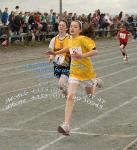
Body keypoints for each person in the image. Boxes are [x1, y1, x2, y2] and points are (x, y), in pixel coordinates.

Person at [46, 20, 102, 136]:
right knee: (70, 96)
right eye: (71, 26)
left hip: (87, 74)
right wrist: (55, 53)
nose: (72, 28)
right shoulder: (70, 39)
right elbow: (67, 49)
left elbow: (95, 51)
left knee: (90, 95)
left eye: (75, 27)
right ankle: (66, 125)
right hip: (74, 73)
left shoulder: (84, 39)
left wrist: (82, 55)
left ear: (80, 30)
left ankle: (96, 82)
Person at [48, 20, 71, 96]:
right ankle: (68, 97)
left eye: (63, 25)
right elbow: (51, 52)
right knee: (62, 87)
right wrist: (51, 57)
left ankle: (69, 97)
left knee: (61, 84)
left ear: (66, 28)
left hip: (68, 64)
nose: (61, 26)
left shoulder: (70, 38)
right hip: (57, 64)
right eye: (59, 25)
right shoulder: (54, 40)